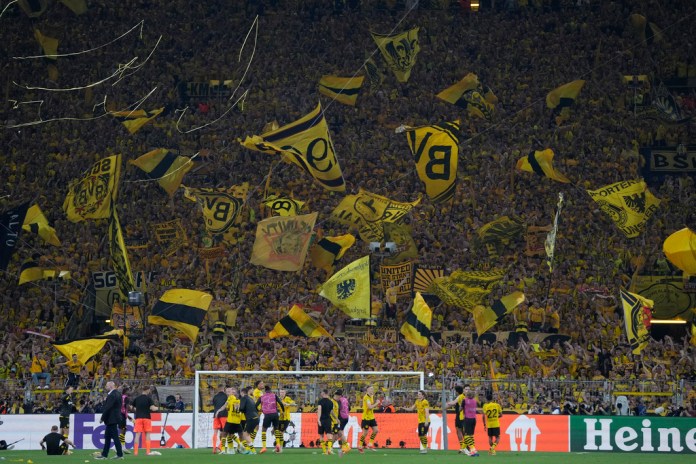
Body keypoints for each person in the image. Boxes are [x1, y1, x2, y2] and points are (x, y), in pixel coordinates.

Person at [95, 381, 124, 460]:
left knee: (115, 437)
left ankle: (120, 454)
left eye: (107, 386)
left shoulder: (111, 395)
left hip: (111, 419)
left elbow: (108, 408)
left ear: (111, 386)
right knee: (107, 437)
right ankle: (104, 455)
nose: (105, 387)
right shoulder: (118, 394)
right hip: (115, 418)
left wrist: (102, 418)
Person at [131, 385, 161, 456]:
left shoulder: (137, 398)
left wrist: (138, 410)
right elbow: (153, 408)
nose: (149, 391)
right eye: (149, 390)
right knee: (147, 434)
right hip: (147, 418)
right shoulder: (148, 399)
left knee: (137, 435)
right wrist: (158, 408)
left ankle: (135, 452)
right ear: (147, 390)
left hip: (138, 418)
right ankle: (147, 452)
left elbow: (132, 407)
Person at [256, 385, 284, 453]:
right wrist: (283, 411)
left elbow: (256, 405)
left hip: (267, 415)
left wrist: (259, 410)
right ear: (270, 390)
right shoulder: (274, 395)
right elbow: (280, 403)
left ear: (264, 391)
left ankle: (264, 447)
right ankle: (277, 444)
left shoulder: (262, 397)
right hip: (275, 414)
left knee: (264, 430)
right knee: (276, 428)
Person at [216, 387, 243, 454]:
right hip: (237, 420)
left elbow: (226, 406)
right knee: (232, 434)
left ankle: (223, 450)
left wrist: (218, 411)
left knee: (224, 434)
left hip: (230, 420)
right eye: (227, 391)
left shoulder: (231, 398)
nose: (228, 393)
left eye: (229, 391)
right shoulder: (239, 400)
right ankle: (234, 447)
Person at [445, 385, 469, 455]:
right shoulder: (467, 397)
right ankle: (465, 447)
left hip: (461, 416)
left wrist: (446, 403)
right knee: (463, 432)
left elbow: (453, 403)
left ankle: (464, 447)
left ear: (457, 391)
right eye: (466, 389)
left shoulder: (461, 396)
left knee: (460, 432)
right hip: (465, 416)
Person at [358, 385, 380, 453]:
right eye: (370, 389)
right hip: (366, 418)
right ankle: (360, 446)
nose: (372, 390)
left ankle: (370, 444)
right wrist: (377, 403)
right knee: (365, 433)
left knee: (376, 430)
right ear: (367, 390)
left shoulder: (372, 396)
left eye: (372, 389)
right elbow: (370, 407)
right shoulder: (366, 397)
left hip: (371, 417)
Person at [239, 387, 260, 454]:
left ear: (242, 393)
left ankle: (252, 450)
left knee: (245, 435)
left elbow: (242, 408)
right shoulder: (251, 398)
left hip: (251, 418)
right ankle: (248, 450)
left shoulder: (243, 398)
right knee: (247, 434)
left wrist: (238, 409)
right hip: (256, 417)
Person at [316, 389, 335, 455]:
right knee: (329, 435)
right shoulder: (331, 402)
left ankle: (324, 451)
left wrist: (318, 419)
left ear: (324, 393)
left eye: (321, 392)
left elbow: (319, 410)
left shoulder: (320, 402)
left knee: (321, 435)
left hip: (321, 420)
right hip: (328, 420)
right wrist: (336, 418)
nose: (321, 393)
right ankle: (329, 449)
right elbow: (331, 412)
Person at [462, 389, 480, 457]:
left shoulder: (464, 400)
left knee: (466, 435)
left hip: (467, 419)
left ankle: (473, 449)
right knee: (471, 435)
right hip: (474, 419)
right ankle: (464, 448)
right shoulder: (475, 401)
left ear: (467, 395)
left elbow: (461, 409)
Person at [211, 387, 228, 453]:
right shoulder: (226, 396)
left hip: (216, 414)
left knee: (215, 432)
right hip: (224, 415)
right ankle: (220, 446)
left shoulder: (215, 397)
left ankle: (214, 448)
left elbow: (214, 405)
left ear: (218, 390)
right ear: (223, 390)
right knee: (225, 431)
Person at [333, 390, 350, 455]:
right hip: (346, 417)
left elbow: (338, 408)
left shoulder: (339, 401)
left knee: (339, 432)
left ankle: (346, 446)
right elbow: (349, 408)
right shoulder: (345, 399)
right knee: (338, 433)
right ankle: (331, 446)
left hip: (341, 418)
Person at [119, 386, 133, 453]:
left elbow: (122, 409)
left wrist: (128, 416)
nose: (130, 392)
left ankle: (122, 447)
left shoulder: (120, 397)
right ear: (126, 391)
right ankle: (120, 447)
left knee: (123, 430)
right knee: (123, 431)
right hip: (122, 416)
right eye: (129, 390)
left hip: (119, 415)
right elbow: (127, 408)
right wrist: (131, 408)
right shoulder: (126, 398)